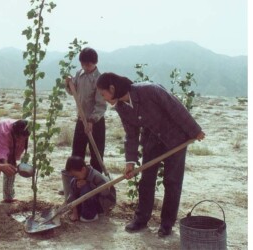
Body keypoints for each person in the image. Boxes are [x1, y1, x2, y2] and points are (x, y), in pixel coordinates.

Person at [96, 72, 205, 237]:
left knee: (172, 181)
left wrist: (195, 130)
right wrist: (130, 162)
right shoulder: (121, 107)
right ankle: (141, 220)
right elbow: (131, 134)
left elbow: (176, 109)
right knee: (146, 180)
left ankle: (166, 225)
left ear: (112, 88)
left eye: (103, 94)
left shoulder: (149, 90)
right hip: (151, 140)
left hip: (175, 138)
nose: (103, 98)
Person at [64, 47, 107, 175]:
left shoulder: (100, 79)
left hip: (96, 122)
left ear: (95, 63)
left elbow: (101, 105)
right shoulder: (79, 74)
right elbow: (73, 92)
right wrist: (68, 84)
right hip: (81, 121)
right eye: (82, 64)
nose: (85, 67)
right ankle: (73, 183)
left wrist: (91, 121)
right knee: (77, 154)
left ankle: (97, 184)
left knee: (96, 155)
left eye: (88, 64)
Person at [0, 119, 30, 210]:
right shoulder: (4, 130)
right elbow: (2, 148)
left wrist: (14, 160)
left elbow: (20, 147)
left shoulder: (25, 131)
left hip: (10, 145)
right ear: (15, 133)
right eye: (19, 137)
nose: (22, 139)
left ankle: (9, 196)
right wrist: (4, 165)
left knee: (11, 167)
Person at [65, 155, 116, 223]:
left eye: (76, 176)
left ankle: (91, 216)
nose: (75, 178)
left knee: (86, 189)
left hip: (103, 203)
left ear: (83, 169)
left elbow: (105, 192)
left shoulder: (96, 176)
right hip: (89, 201)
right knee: (73, 183)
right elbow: (72, 196)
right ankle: (83, 211)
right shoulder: (76, 179)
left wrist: (89, 184)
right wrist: (75, 213)